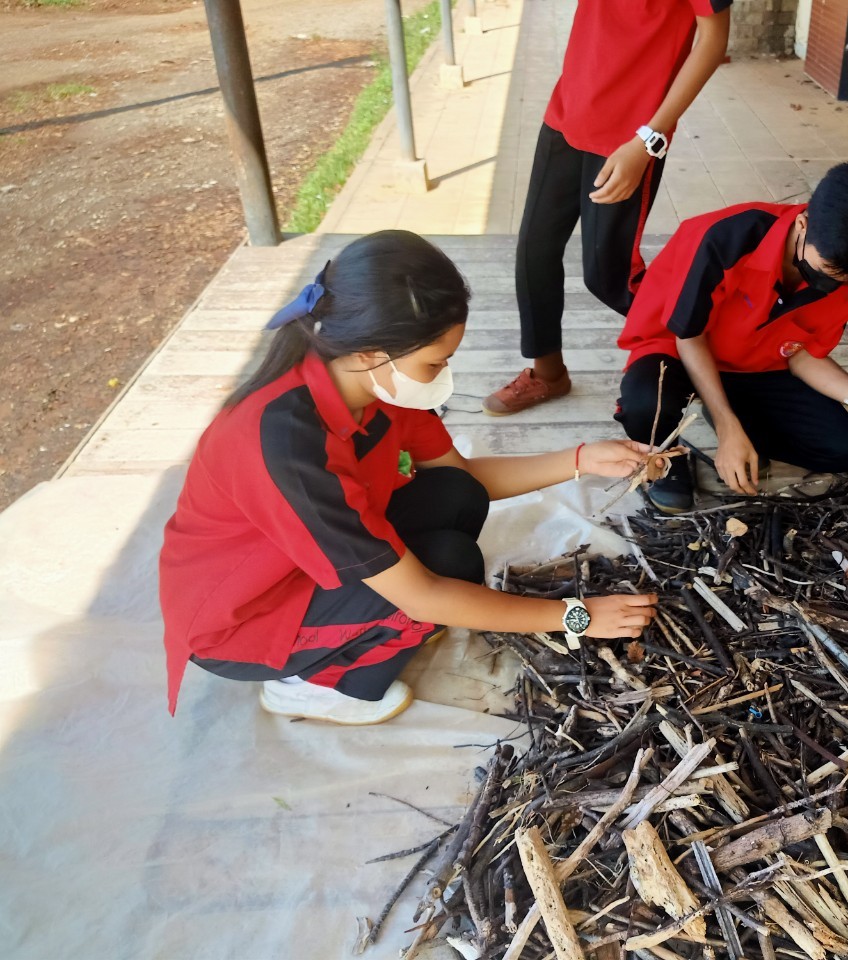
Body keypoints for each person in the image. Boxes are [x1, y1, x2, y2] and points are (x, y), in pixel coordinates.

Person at [159, 231, 658, 724]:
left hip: (302, 561)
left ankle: (368, 621)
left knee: (456, 495)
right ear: (372, 353)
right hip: (246, 617)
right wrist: (577, 616)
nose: (443, 375)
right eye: (435, 362)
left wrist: (582, 458)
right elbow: (422, 593)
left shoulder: (375, 384)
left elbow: (462, 476)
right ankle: (311, 685)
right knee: (447, 567)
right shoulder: (288, 447)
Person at [613, 159, 848, 513]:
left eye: (844, 281)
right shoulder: (725, 237)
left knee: (842, 449)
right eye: (825, 272)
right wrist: (726, 425)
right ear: (802, 224)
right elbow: (690, 335)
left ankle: (739, 422)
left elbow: (801, 353)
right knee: (645, 404)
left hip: (756, 365)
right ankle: (668, 461)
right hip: (677, 349)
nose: (829, 287)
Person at [481, 0, 733, 417]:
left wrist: (648, 139)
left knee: (609, 275)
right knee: (534, 251)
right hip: (567, 113)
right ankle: (548, 372)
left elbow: (712, 40)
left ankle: (710, 358)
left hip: (630, 136)